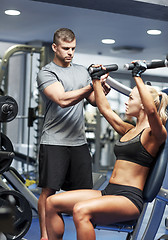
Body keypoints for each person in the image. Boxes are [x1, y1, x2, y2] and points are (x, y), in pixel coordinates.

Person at [45, 61, 168, 240]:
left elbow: (151, 111)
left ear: (142, 104)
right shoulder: (129, 130)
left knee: (81, 210)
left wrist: (138, 76)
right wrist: (96, 79)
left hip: (128, 199)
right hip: (108, 192)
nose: (127, 102)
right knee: (51, 203)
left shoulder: (156, 134)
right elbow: (105, 109)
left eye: (131, 98)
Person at [36, 28, 110, 240]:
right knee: (48, 192)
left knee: (83, 196)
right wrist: (91, 85)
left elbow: (95, 101)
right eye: (66, 48)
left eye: (73, 49)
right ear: (55, 47)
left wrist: (102, 85)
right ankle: (45, 236)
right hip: (54, 141)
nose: (70, 52)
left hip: (79, 143)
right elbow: (62, 99)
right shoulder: (47, 72)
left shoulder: (81, 71)